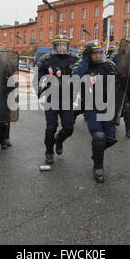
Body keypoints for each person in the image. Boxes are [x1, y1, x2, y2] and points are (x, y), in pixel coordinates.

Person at [73, 40, 118, 183]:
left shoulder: (109, 66)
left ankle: (96, 153)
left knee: (110, 139)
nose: (98, 56)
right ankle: (98, 167)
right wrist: (85, 61)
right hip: (91, 107)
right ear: (88, 55)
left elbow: (119, 84)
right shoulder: (81, 66)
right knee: (99, 137)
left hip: (108, 106)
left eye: (100, 53)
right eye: (94, 54)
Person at [34, 35, 79, 164]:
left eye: (64, 45)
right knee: (51, 127)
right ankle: (49, 151)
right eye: (59, 45)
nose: (62, 47)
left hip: (67, 98)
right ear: (54, 46)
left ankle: (59, 140)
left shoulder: (74, 59)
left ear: (68, 46)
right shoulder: (46, 60)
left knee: (69, 128)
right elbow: (38, 78)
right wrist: (39, 90)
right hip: (51, 98)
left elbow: (82, 74)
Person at [110, 46, 130, 139]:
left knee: (127, 108)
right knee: (115, 107)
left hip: (127, 87)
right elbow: (111, 69)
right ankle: (111, 125)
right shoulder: (114, 57)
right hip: (116, 86)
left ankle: (129, 129)